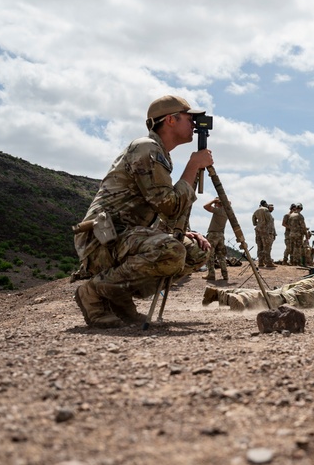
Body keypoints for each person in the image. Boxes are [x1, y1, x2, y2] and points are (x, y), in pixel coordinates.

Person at [72, 95, 213, 328]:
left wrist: (185, 231)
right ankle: (94, 292)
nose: (195, 124)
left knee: (196, 251)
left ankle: (119, 297)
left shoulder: (160, 154)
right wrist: (193, 166)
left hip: (125, 237)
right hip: (102, 241)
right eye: (190, 118)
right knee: (171, 250)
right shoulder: (146, 148)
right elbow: (168, 204)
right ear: (170, 120)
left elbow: (160, 210)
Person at [203, 197, 230, 281]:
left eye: (216, 204)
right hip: (221, 235)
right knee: (221, 256)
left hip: (213, 234)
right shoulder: (226, 212)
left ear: (219, 204)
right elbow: (229, 203)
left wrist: (214, 200)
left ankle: (211, 274)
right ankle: (225, 275)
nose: (215, 205)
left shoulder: (218, 210)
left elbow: (205, 206)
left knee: (210, 255)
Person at [251, 200, 276, 268]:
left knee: (260, 246)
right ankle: (268, 262)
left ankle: (261, 262)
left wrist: (258, 224)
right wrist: (273, 232)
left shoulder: (256, 211)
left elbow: (254, 222)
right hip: (266, 230)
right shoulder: (266, 210)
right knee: (267, 246)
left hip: (258, 230)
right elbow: (270, 221)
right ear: (265, 204)